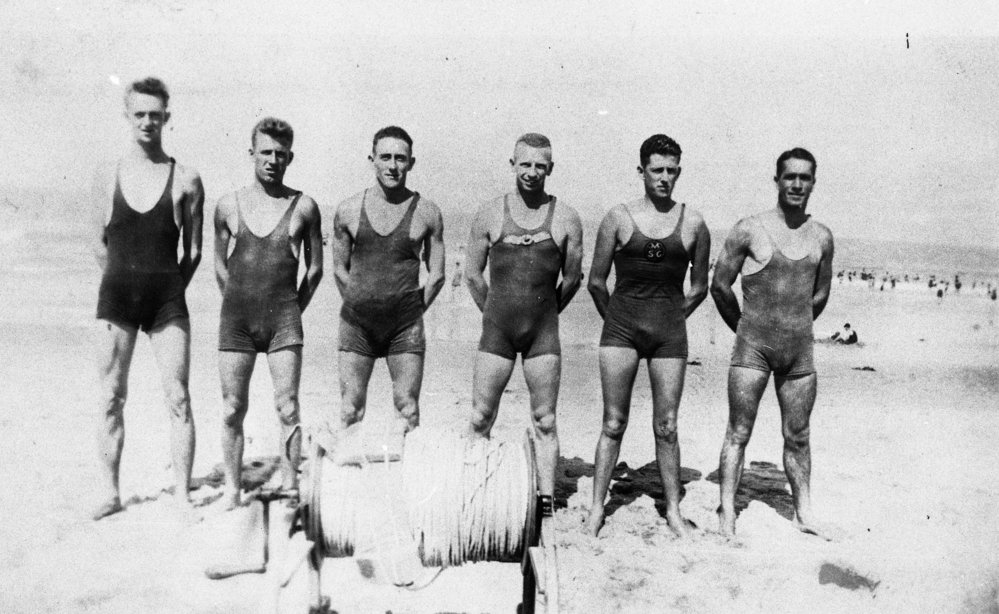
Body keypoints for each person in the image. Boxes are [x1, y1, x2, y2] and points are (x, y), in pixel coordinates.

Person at [585, 134, 711, 537]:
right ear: (641, 171)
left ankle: (673, 510)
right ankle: (594, 509)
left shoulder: (693, 223)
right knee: (613, 422)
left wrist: (674, 319)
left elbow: (700, 287)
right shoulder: (618, 218)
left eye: (672, 171)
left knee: (667, 425)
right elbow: (596, 282)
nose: (664, 178)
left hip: (668, 337)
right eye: (657, 170)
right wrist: (617, 322)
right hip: (621, 331)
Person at [90, 77, 204, 520]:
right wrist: (123, 281)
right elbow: (97, 243)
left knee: (178, 397)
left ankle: (182, 495)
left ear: (166, 119)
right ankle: (110, 492)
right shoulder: (107, 174)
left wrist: (167, 287)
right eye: (139, 114)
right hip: (116, 298)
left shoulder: (187, 178)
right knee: (110, 398)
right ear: (127, 116)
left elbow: (193, 252)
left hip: (166, 301)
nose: (147, 122)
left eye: (155, 115)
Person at [711, 147, 834, 540]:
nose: (797, 184)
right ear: (777, 180)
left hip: (799, 352)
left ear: (813, 182)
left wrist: (794, 326)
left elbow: (820, 295)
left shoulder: (822, 237)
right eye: (789, 176)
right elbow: (719, 286)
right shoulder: (750, 228)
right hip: (752, 349)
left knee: (798, 435)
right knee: (738, 432)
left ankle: (804, 513)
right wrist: (745, 329)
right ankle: (727, 511)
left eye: (805, 177)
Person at [465, 133, 584, 500]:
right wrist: (494, 313)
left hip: (542, 336)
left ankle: (546, 501)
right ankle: (471, 490)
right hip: (497, 331)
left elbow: (573, 278)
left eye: (539, 165)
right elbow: (472, 274)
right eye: (525, 164)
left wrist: (546, 313)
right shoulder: (489, 212)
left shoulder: (566, 217)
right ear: (512, 164)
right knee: (481, 416)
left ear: (550, 168)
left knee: (545, 420)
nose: (532, 172)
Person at [214, 118, 324, 510]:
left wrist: (292, 309)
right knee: (231, 407)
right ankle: (231, 488)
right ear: (252, 154)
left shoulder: (304, 206)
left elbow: (315, 269)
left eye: (281, 154)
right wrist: (236, 303)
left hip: (283, 322)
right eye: (266, 153)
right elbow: (218, 264)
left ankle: (291, 486)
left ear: (290, 157)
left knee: (288, 405)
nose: (273, 160)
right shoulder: (228, 205)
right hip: (237, 322)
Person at [331, 126, 445, 433]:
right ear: (372, 160)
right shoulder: (348, 210)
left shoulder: (428, 212)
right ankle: (350, 479)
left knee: (407, 409)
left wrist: (412, 310)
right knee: (350, 409)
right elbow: (339, 268)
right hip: (357, 325)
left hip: (404, 328)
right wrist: (359, 303)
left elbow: (437, 275)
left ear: (411, 162)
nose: (392, 166)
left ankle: (404, 479)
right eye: (385, 157)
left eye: (400, 158)